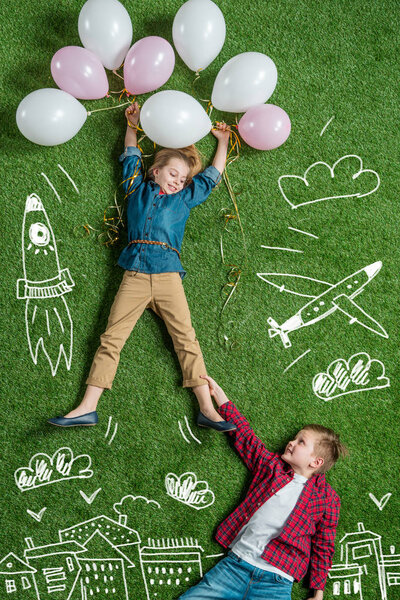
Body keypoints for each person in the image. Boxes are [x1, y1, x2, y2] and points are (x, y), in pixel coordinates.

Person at [48, 103, 235, 433]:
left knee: (186, 340)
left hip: (167, 275)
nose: (178, 181)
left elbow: (211, 178)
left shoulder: (185, 198)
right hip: (134, 273)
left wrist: (222, 142)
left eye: (183, 178)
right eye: (173, 174)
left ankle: (207, 408)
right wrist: (132, 125)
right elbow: (131, 155)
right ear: (156, 171)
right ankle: (87, 408)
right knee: (111, 338)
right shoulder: (136, 188)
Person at [180, 375, 348, 600]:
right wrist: (220, 397)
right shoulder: (271, 467)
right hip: (235, 567)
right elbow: (245, 437)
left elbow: (324, 544)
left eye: (301, 442)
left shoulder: (327, 499)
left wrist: (318, 593)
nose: (291, 442)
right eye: (294, 438)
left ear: (315, 462)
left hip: (277, 581)